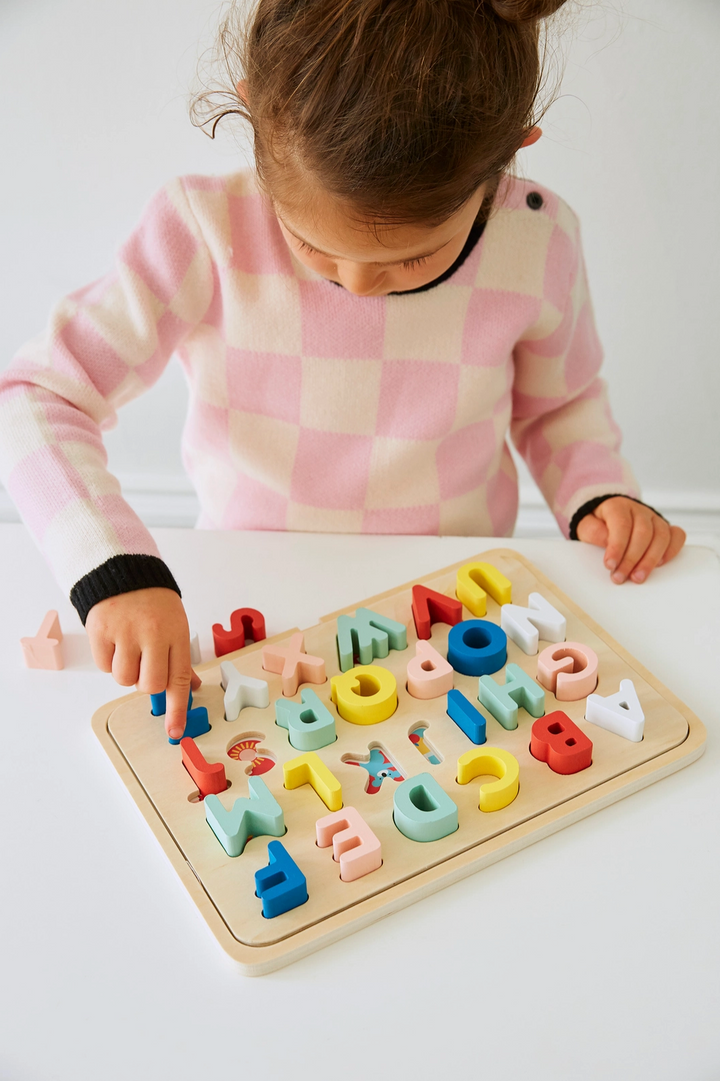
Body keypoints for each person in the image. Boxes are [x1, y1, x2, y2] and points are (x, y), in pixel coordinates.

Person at [0, 0, 685, 739]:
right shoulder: (202, 230)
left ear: (508, 158)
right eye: (312, 245)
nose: (357, 286)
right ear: (254, 121)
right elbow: (37, 396)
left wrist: (598, 494)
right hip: (258, 599)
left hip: (453, 606)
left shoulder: (539, 240)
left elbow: (560, 404)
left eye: (410, 259)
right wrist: (114, 570)